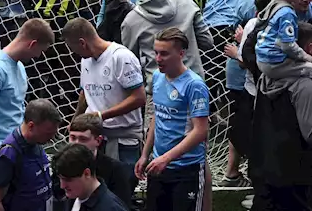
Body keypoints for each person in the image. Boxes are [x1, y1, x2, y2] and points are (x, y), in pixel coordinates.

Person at [248, 22, 312, 211]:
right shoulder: (305, 84)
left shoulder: (265, 78)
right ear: (309, 47)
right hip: (299, 179)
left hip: (266, 170)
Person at [0, 18, 55, 180]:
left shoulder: (19, 67)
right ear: (32, 44)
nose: (38, 56)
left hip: (12, 149)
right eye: (40, 51)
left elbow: (15, 108)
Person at [138, 27, 210, 211]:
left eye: (164, 54)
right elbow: (157, 115)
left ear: (181, 54)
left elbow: (200, 130)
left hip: (187, 168)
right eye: (156, 53)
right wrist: (146, 154)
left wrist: (167, 158)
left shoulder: (194, 85)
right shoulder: (157, 77)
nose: (158, 59)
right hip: (159, 166)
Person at [62, 18, 147, 166]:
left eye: (73, 49)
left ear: (82, 43)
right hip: (95, 137)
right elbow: (85, 92)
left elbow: (139, 98)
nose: (74, 53)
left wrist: (101, 116)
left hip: (123, 139)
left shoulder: (120, 57)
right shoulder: (86, 60)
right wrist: (75, 120)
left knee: (121, 185)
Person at [120, 0, 209, 77]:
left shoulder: (130, 21)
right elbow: (207, 42)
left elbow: (131, 64)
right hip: (194, 83)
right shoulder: (187, 3)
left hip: (157, 89)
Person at [0, 99, 60, 211]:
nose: (51, 139)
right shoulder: (8, 155)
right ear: (31, 126)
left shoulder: (36, 143)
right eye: (48, 133)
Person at [66, 113, 137, 208]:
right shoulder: (64, 163)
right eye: (73, 138)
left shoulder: (116, 171)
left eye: (83, 139)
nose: (76, 144)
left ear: (98, 141)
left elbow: (121, 205)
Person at [53, 143, 131, 211]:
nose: (62, 186)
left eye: (68, 180)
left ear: (87, 173)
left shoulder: (111, 208)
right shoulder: (72, 197)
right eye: (60, 178)